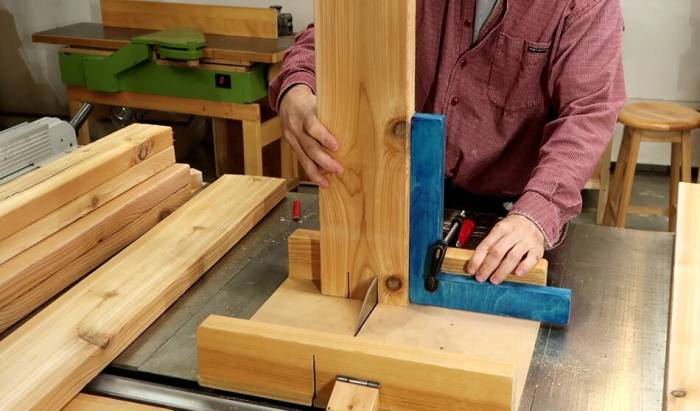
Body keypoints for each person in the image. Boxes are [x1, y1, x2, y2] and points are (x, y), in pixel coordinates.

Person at [269, 0, 625, 285]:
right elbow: (335, 29)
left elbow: (587, 112)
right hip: (398, 182)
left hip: (508, 207)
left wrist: (535, 214)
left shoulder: (586, 4)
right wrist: (296, 89)